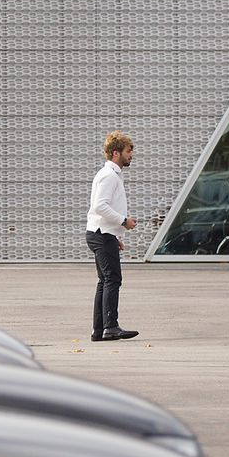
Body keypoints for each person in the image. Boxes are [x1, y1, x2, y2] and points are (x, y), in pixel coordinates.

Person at [85, 131, 140, 342]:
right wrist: (123, 221)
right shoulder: (109, 176)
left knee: (104, 281)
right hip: (101, 233)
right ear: (116, 153)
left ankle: (99, 330)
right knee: (112, 279)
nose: (131, 154)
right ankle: (110, 326)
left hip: (101, 233)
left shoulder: (110, 174)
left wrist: (115, 234)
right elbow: (99, 206)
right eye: (128, 151)